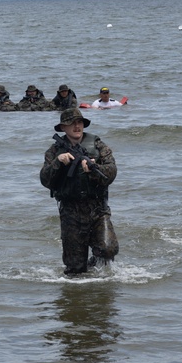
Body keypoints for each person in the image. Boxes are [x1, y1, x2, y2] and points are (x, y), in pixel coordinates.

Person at [40, 108, 119, 275]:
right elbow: (45, 180)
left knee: (108, 249)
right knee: (75, 268)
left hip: (98, 209)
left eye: (79, 123)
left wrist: (94, 167)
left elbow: (111, 172)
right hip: (70, 211)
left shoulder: (98, 145)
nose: (77, 126)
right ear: (63, 128)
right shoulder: (54, 151)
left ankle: (96, 271)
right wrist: (58, 163)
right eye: (72, 123)